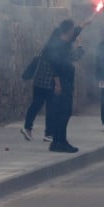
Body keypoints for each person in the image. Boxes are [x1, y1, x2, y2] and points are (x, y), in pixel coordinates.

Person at [44, 19, 85, 153]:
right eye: (72, 30)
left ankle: (61, 140)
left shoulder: (63, 42)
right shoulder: (58, 45)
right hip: (61, 83)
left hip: (65, 81)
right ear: (68, 31)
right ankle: (58, 142)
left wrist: (87, 21)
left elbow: (76, 34)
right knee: (62, 112)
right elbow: (55, 65)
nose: (74, 32)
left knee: (65, 112)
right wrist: (58, 83)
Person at [22, 28, 58, 142]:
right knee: (51, 108)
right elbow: (56, 67)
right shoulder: (56, 49)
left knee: (36, 105)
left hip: (38, 81)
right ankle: (48, 133)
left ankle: (28, 128)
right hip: (48, 82)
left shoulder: (47, 46)